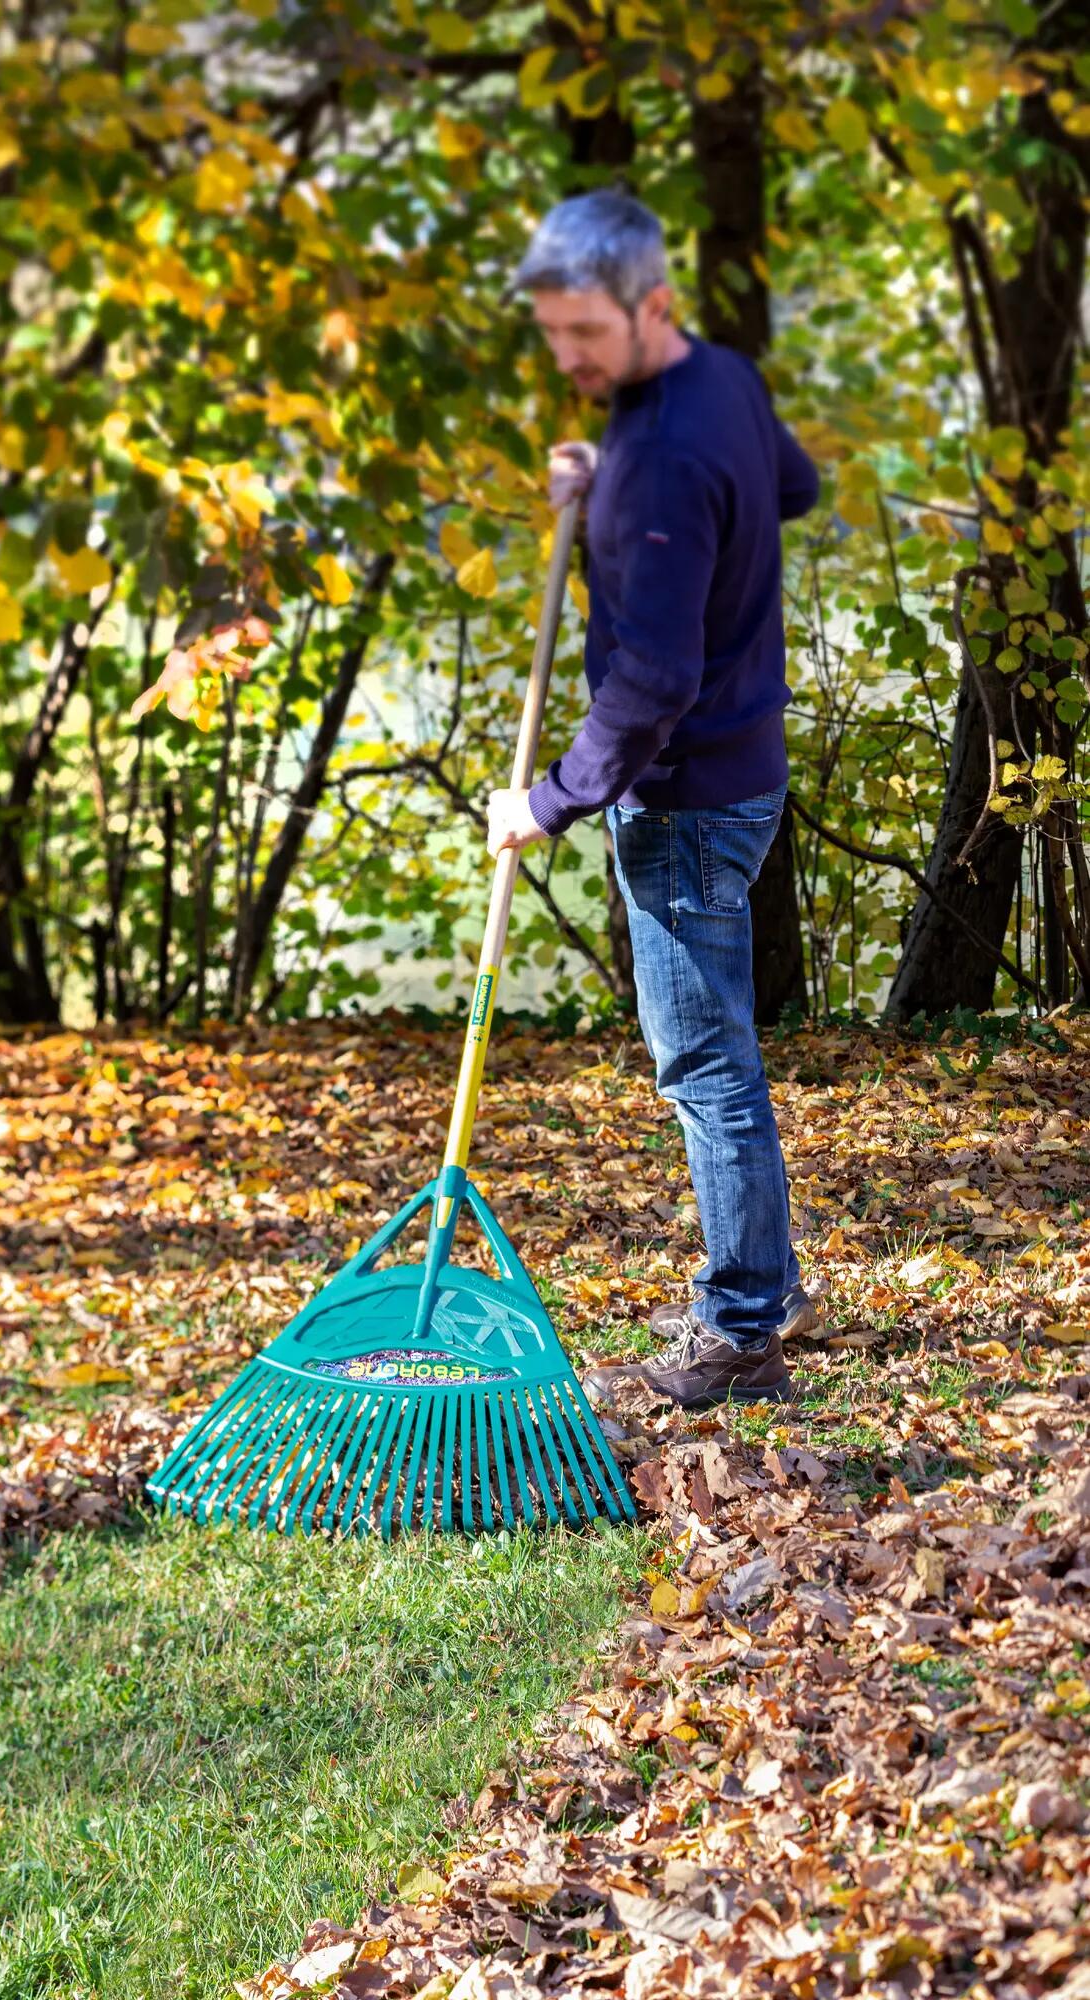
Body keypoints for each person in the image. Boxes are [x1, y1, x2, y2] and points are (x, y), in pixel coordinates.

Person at [486, 189, 822, 1412]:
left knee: (704, 1065)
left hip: (682, 797)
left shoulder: (664, 458)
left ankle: (740, 1328)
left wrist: (553, 798)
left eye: (584, 332)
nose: (566, 356)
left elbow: (654, 679)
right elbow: (787, 488)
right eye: (553, 333)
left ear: (653, 305)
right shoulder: (717, 383)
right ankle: (769, 1288)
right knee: (723, 1048)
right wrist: (612, 471)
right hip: (747, 770)